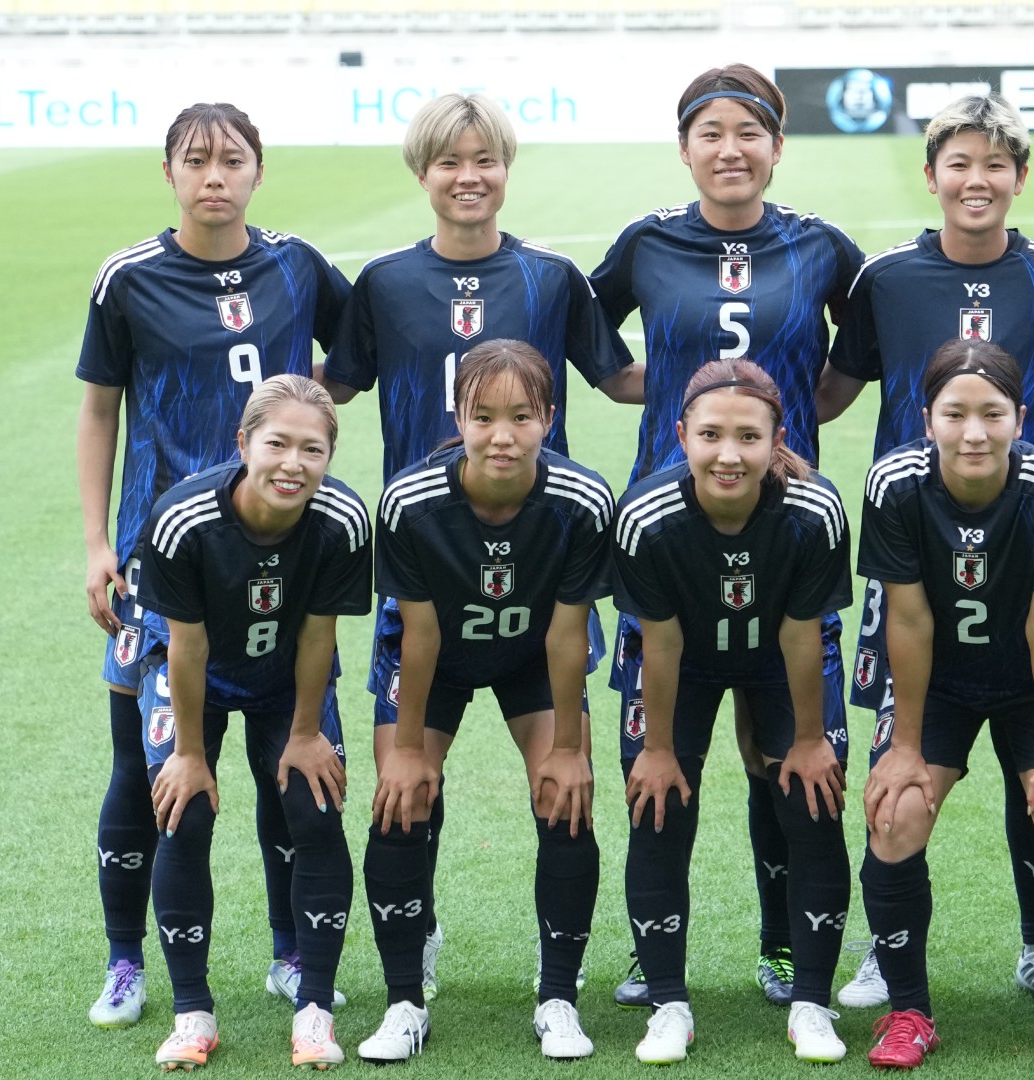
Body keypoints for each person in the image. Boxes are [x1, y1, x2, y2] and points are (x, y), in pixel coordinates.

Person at [320, 92, 639, 1000]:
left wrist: (739, 401)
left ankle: (560, 983)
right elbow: (333, 388)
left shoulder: (550, 276)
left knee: (566, 789)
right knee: (405, 787)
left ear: (506, 168)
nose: (469, 178)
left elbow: (617, 381)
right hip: (425, 566)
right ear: (423, 174)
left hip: (543, 566)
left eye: (485, 160)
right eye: (450, 163)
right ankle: (410, 950)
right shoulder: (382, 281)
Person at [817, 92, 1034, 1011]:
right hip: (913, 552)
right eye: (961, 163)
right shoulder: (884, 277)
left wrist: (1010, 468)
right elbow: (833, 391)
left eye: (996, 165)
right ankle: (887, 953)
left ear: (1021, 177)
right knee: (901, 769)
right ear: (933, 175)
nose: (977, 180)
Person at [592, 63, 864, 1008]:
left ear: (776, 147)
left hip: (782, 528)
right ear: (685, 148)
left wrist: (784, 439)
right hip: (670, 535)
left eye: (749, 134)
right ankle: (653, 951)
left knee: (783, 757)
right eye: (710, 134)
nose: (731, 150)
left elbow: (854, 360)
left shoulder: (823, 246)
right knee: (662, 753)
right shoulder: (647, 243)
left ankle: (785, 947)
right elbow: (594, 345)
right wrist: (665, 393)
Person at [76, 102, 352, 1029]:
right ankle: (125, 961)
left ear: (258, 170)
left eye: (232, 160)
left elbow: (352, 358)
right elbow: (100, 410)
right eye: (196, 161)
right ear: (170, 173)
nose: (215, 176)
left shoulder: (298, 264)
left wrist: (295, 436)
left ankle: (288, 954)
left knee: (291, 760)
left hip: (280, 551)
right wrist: (96, 541)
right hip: (161, 563)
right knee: (141, 773)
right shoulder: (129, 279)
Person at [856, 340, 1034, 1072]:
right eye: (956, 413)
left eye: (992, 414)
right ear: (926, 417)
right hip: (937, 684)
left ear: (1020, 418)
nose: (974, 432)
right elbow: (907, 621)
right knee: (896, 811)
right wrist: (904, 747)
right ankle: (908, 1012)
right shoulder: (894, 485)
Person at [354, 341, 613, 1063]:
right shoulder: (411, 500)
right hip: (433, 661)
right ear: (459, 417)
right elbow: (421, 632)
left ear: (549, 419)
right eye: (484, 416)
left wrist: (567, 748)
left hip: (534, 655)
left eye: (522, 416)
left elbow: (567, 635)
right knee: (399, 802)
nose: (503, 436)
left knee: (565, 796)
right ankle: (405, 1000)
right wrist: (407, 752)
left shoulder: (582, 498)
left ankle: (558, 996)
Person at [612, 362, 854, 1063]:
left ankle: (811, 1001)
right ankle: (668, 1003)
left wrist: (808, 740)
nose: (728, 453)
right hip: (680, 661)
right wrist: (658, 749)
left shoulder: (814, 510)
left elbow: (799, 632)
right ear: (680, 434)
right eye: (711, 434)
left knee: (812, 802)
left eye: (749, 436)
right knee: (659, 804)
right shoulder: (646, 515)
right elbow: (661, 641)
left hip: (779, 657)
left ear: (778, 440)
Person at [137, 375, 370, 1069]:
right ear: (244, 444)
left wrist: (304, 735)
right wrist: (188, 752)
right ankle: (191, 1012)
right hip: (195, 681)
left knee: (316, 808)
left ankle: (315, 1008)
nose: (293, 463)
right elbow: (187, 645)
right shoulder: (183, 519)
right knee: (186, 812)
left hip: (286, 681)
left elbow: (317, 636)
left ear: (330, 456)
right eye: (277, 444)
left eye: (313, 449)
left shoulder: (342, 520)